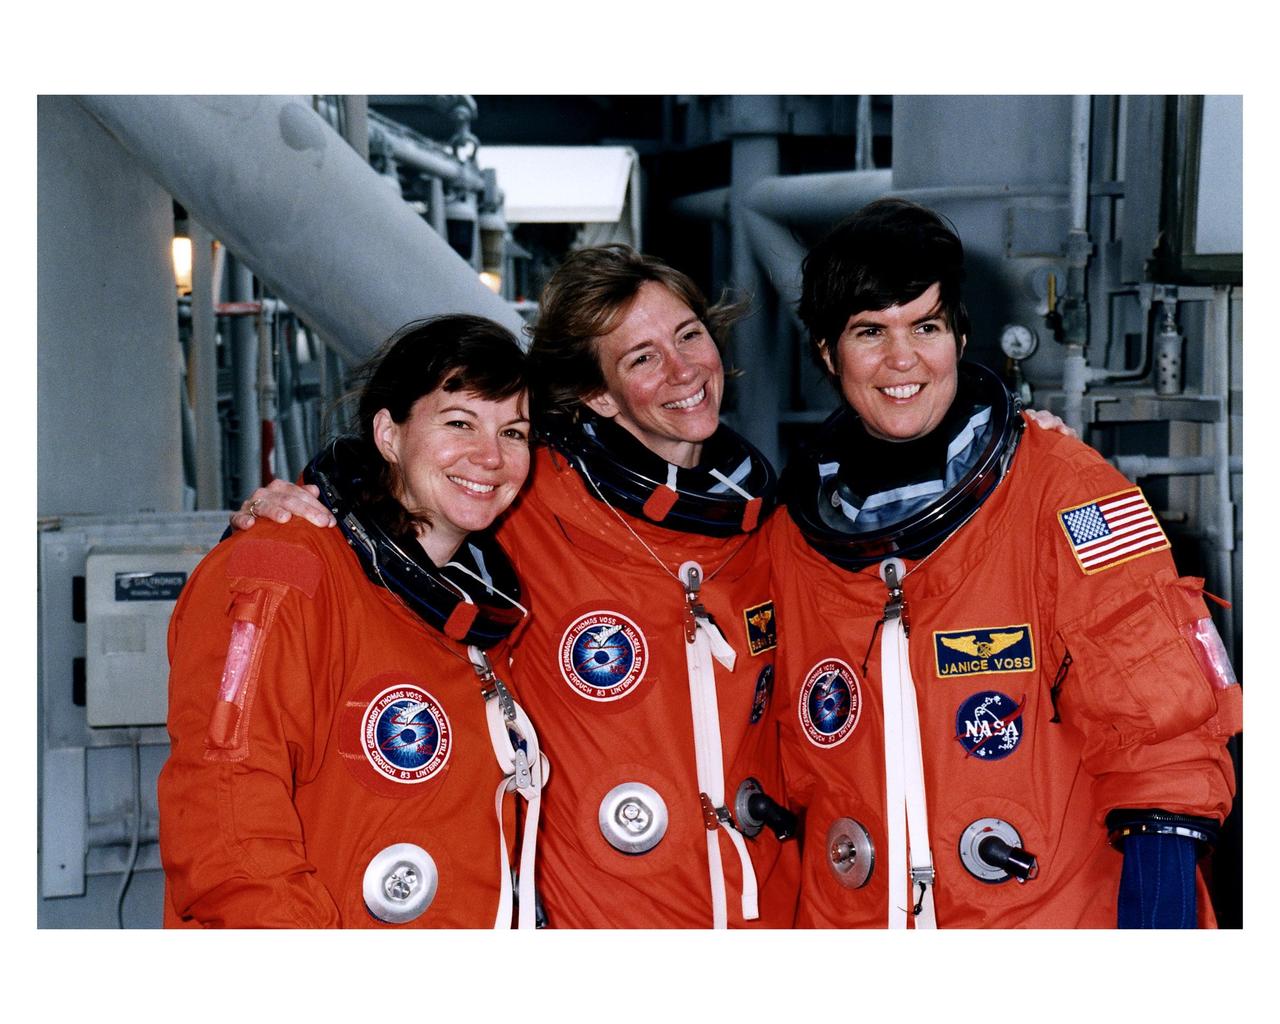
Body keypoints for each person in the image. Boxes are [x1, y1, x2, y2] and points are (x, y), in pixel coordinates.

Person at [232, 246, 800, 928]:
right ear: (596, 393)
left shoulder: (777, 532)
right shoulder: (527, 501)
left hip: (762, 915)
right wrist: (288, 510)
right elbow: (398, 508)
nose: (683, 371)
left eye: (688, 335)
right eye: (641, 357)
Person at [771, 198, 1241, 928]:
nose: (903, 360)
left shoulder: (1071, 493)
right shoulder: (793, 536)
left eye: (925, 326)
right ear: (828, 353)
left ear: (960, 335)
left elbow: (1165, 747)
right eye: (870, 332)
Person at [159, 315, 546, 928]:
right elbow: (226, 825)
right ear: (388, 434)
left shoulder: (481, 610)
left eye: (515, 432)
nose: (491, 456)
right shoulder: (285, 566)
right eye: (458, 423)